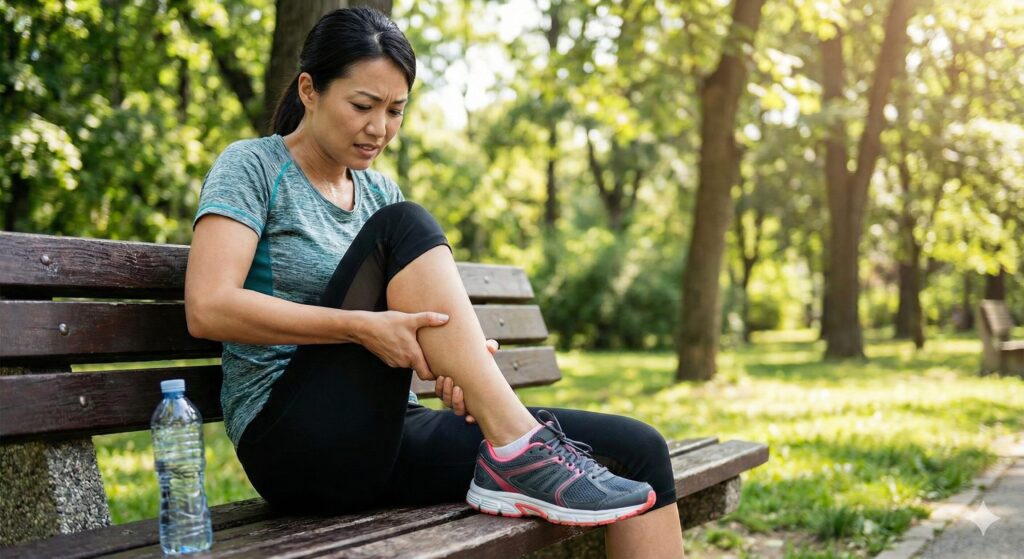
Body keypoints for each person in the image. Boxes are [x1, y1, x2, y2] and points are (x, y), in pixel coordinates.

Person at [184, 7, 684, 557]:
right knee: (406, 223)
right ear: (309, 89)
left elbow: (412, 326)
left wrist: (460, 361)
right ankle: (520, 447)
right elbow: (209, 307)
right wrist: (360, 328)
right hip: (292, 442)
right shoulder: (252, 166)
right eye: (362, 105)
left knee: (639, 451)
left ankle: (515, 445)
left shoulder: (378, 191)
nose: (380, 128)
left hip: (385, 433)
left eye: (396, 110)